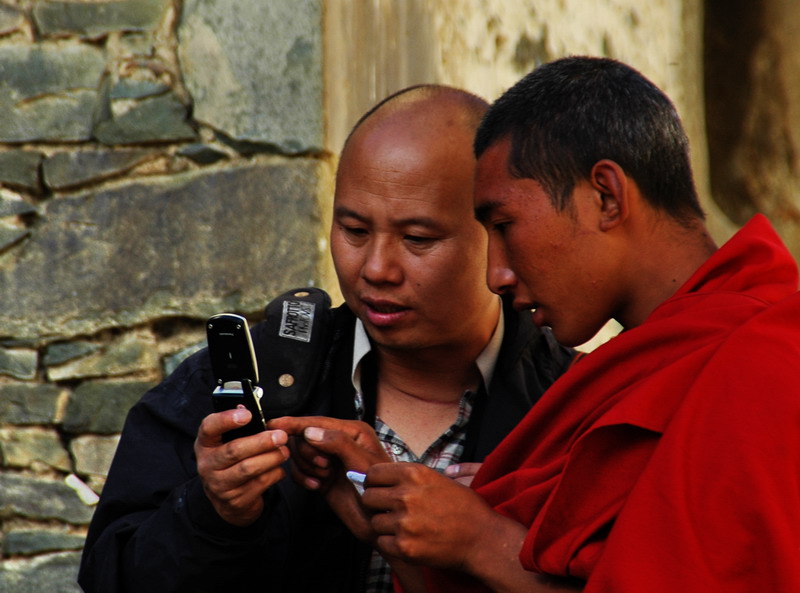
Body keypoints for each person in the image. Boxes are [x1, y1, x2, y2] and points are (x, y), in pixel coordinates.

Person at [275, 57, 800, 592]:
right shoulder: (619, 381)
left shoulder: (766, 364)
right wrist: (389, 518)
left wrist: (484, 540)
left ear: (606, 197)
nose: (495, 274)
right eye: (355, 229)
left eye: (505, 226)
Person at [77, 84, 575, 593]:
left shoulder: (572, 405)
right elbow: (109, 575)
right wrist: (213, 512)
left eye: (417, 239)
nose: (377, 269)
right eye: (354, 231)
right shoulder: (250, 385)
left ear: (497, 235)